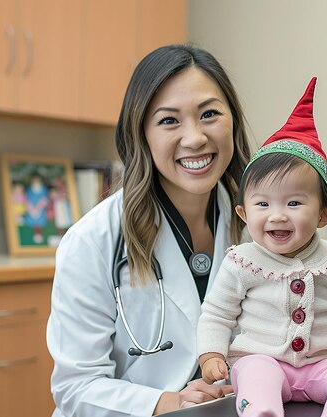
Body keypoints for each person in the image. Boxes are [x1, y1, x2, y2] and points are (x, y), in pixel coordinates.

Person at [46, 44, 252, 417]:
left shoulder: (262, 224)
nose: (195, 138)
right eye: (169, 120)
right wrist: (169, 403)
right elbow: (75, 388)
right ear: (142, 134)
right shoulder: (93, 241)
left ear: (232, 120)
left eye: (209, 114)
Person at [197, 77, 327, 417]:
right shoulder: (241, 262)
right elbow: (217, 313)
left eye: (293, 203)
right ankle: (262, 411)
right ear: (244, 214)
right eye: (263, 205)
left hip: (323, 364)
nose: (277, 216)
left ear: (323, 214)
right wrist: (211, 355)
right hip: (262, 360)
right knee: (256, 376)